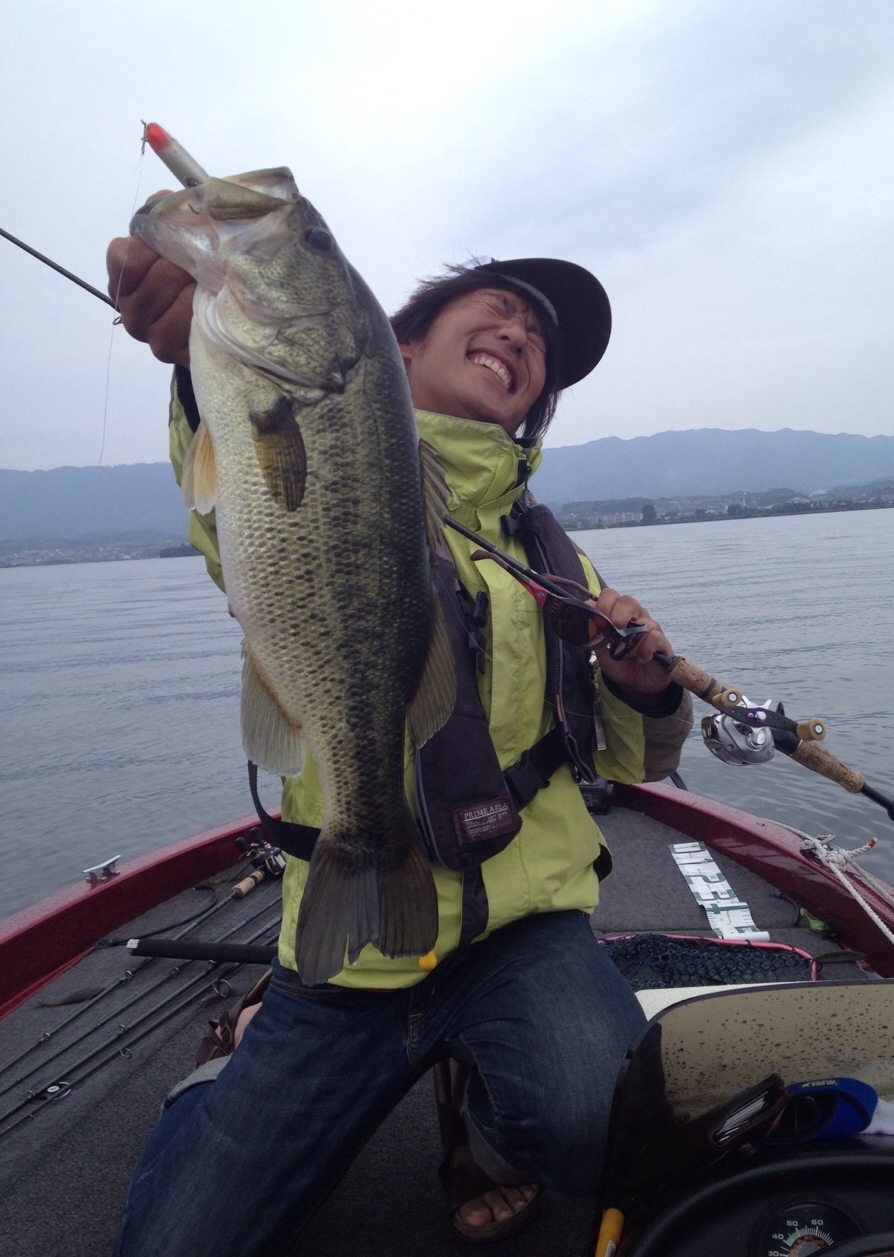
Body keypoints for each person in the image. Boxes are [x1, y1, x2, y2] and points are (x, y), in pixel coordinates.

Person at [105, 218, 692, 1254]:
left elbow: (633, 764)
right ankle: (239, 1049)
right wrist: (199, 365)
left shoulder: (554, 559)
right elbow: (233, 489)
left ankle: (493, 1125)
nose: (521, 335)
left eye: (541, 345)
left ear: (535, 407)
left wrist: (648, 693)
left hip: (525, 933)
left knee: (609, 1133)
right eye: (499, 307)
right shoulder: (313, 443)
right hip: (349, 957)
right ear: (399, 342)